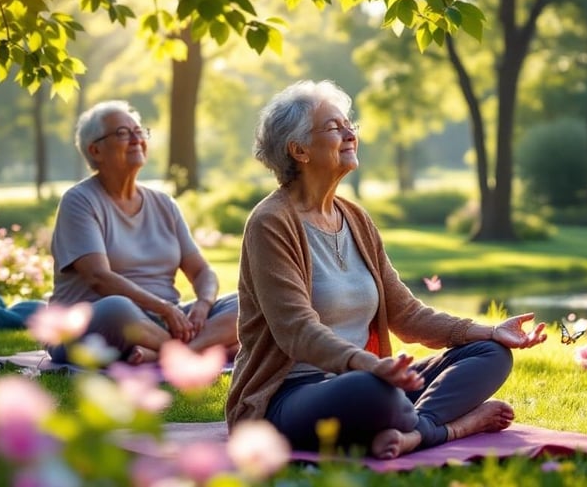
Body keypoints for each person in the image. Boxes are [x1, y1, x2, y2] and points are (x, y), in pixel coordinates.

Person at [226, 80, 547, 460]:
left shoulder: (356, 218)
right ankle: (449, 428)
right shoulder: (270, 223)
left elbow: (407, 315)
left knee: (489, 354)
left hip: (369, 378)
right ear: (299, 150)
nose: (349, 134)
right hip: (291, 395)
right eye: (334, 128)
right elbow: (296, 331)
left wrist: (489, 331)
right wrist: (371, 366)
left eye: (350, 125)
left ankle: (413, 429)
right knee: (373, 392)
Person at [46, 100, 237, 365]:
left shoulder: (164, 204)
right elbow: (98, 277)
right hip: (93, 323)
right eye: (123, 133)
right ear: (95, 150)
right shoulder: (79, 201)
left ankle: (166, 354)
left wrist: (203, 304)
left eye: (139, 131)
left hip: (163, 323)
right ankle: (196, 351)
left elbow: (203, 271)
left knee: (252, 301)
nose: (136, 139)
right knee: (117, 308)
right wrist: (164, 308)